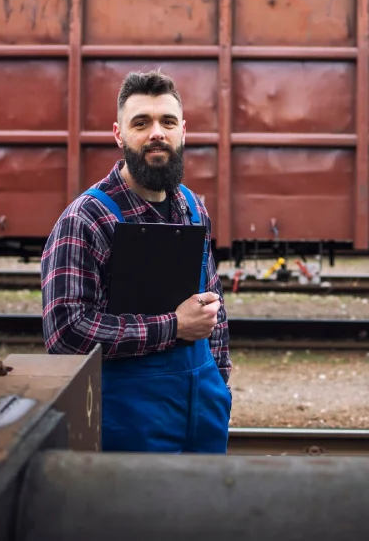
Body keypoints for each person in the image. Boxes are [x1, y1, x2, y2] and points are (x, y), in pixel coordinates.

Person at [40, 69, 232, 453]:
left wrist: (220, 384)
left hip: (204, 412)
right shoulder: (88, 218)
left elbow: (214, 307)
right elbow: (66, 334)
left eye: (167, 122)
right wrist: (174, 326)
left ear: (182, 132)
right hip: (130, 424)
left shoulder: (193, 208)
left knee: (204, 512)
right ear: (118, 134)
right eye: (141, 123)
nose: (156, 133)